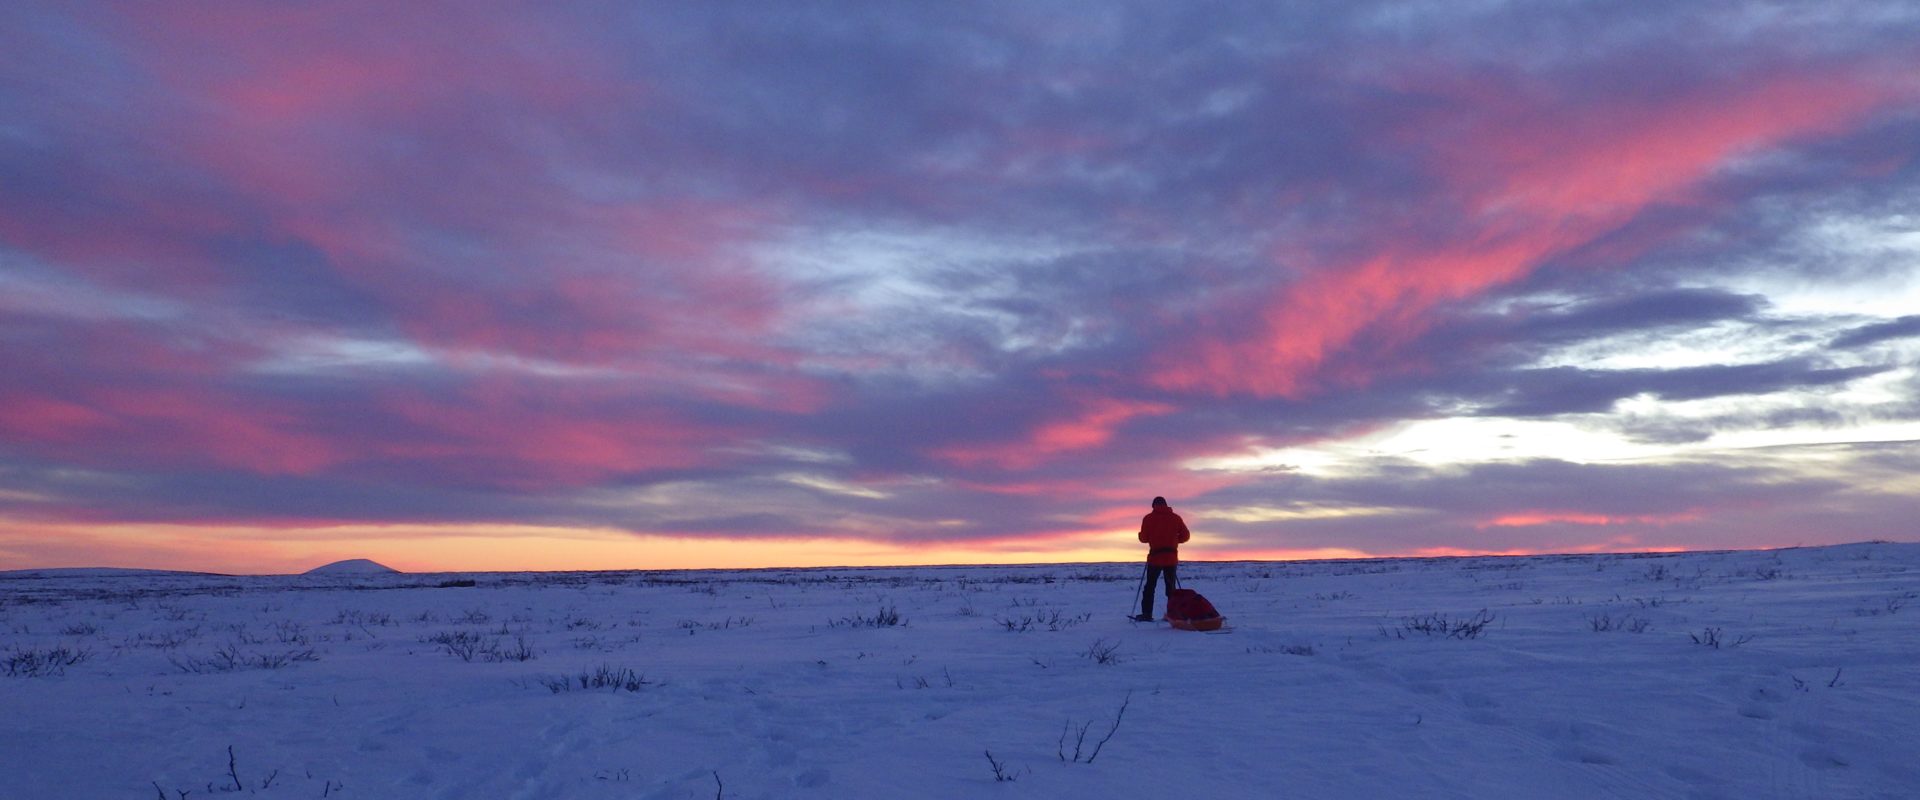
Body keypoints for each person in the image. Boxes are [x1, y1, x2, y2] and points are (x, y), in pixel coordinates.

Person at [1134, 496, 1190, 621]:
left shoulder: (1148, 518)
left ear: (1153, 505)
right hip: (1171, 558)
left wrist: (1142, 536)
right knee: (1171, 588)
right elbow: (1186, 536)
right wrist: (1174, 541)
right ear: (1166, 504)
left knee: (1150, 587)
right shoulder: (1176, 518)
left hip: (1155, 558)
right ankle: (1173, 614)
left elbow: (1143, 538)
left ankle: (1147, 614)